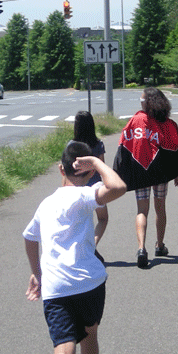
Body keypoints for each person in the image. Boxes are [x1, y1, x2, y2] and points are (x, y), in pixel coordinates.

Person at [23, 141, 126, 354]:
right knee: (90, 335)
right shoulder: (84, 196)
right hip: (89, 283)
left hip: (56, 288)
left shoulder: (45, 204)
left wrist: (37, 273)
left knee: (63, 351)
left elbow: (29, 237)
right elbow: (119, 186)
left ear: (61, 168)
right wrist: (98, 162)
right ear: (88, 171)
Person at [113, 87, 178, 268]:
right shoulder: (167, 123)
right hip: (160, 172)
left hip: (140, 170)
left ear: (149, 102)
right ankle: (160, 245)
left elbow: (124, 145)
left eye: (142, 100)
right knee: (160, 208)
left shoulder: (136, 120)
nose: (140, 103)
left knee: (142, 210)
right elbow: (175, 149)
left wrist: (119, 172)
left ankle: (141, 248)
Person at [73, 110, 108, 260]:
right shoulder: (98, 144)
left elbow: (68, 169)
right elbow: (102, 167)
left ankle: (85, 248)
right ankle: (92, 246)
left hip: (77, 188)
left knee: (80, 221)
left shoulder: (72, 146)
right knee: (103, 219)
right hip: (96, 188)